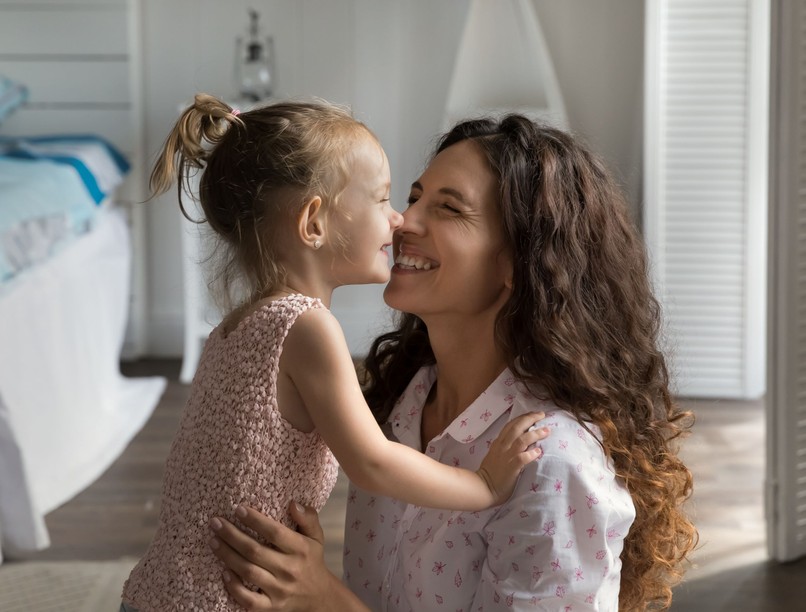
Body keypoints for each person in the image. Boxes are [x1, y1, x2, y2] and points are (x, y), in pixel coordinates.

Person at [207, 114, 699, 611]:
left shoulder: (550, 464)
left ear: (515, 262)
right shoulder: (402, 407)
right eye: (414, 197)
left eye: (448, 208)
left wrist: (323, 599)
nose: (404, 221)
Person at [119, 97, 548, 612]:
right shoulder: (308, 327)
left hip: (157, 593)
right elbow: (371, 461)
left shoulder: (234, 328)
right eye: (383, 199)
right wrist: (483, 485)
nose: (398, 220)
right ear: (315, 223)